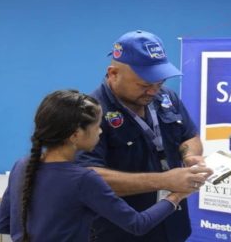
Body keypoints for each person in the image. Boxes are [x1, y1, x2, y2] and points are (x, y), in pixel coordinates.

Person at [0, 90, 193, 242]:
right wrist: (176, 196)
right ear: (75, 135)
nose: (100, 132)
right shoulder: (84, 179)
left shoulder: (21, 166)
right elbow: (137, 224)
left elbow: (3, 224)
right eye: (96, 126)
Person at [75, 30, 212, 241]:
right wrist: (163, 180)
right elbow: (89, 179)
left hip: (172, 224)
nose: (154, 91)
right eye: (145, 85)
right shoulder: (89, 113)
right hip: (121, 231)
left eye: (159, 82)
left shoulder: (167, 97)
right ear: (113, 74)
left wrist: (190, 156)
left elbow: (189, 135)